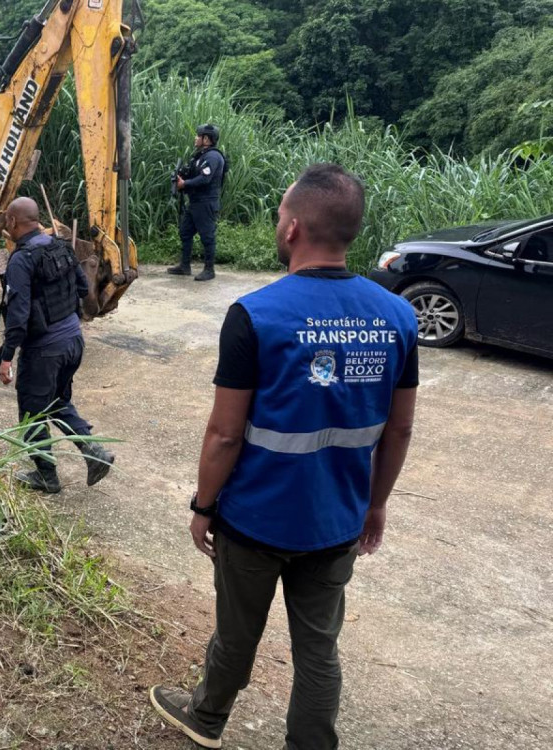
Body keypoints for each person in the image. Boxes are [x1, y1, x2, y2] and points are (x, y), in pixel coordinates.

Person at [150, 164, 419, 750]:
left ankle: (208, 716)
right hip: (336, 522)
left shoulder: (256, 314)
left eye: (278, 218)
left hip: (255, 519)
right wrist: (375, 507)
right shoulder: (398, 316)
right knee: (319, 647)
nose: (278, 226)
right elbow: (398, 430)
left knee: (237, 632)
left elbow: (224, 433)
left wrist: (203, 506)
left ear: (294, 228)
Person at [0, 197, 115, 493]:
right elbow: (83, 287)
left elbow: (18, 315)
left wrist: (6, 358)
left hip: (45, 350)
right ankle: (95, 453)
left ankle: (46, 475)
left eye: (7, 221)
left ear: (13, 222)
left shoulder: (22, 260)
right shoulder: (61, 246)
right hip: (73, 341)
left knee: (32, 412)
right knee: (57, 402)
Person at [168, 124, 226, 281]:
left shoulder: (213, 157)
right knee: (185, 232)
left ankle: (209, 270)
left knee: (207, 236)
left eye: (198, 136)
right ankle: (184, 266)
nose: (196, 138)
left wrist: (184, 184)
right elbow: (194, 174)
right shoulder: (201, 155)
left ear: (206, 139)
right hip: (195, 202)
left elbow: (205, 178)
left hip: (206, 203)